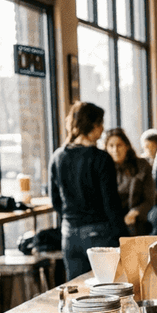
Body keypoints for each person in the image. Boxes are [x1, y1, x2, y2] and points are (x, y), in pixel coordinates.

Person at [48, 101, 127, 279]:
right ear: (91, 125)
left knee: (79, 293)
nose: (102, 128)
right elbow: (110, 202)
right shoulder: (101, 158)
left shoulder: (58, 156)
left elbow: (55, 200)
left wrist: (73, 217)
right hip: (99, 233)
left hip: (69, 234)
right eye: (100, 123)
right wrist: (123, 235)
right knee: (108, 288)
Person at [105, 128, 156, 236]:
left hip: (135, 220)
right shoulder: (103, 169)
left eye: (119, 145)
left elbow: (149, 199)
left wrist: (135, 212)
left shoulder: (142, 166)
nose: (115, 150)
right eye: (111, 146)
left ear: (126, 146)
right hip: (110, 223)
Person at [140, 128, 157, 234]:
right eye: (146, 147)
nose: (150, 150)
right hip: (146, 202)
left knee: (156, 216)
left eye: (153, 147)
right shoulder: (142, 164)